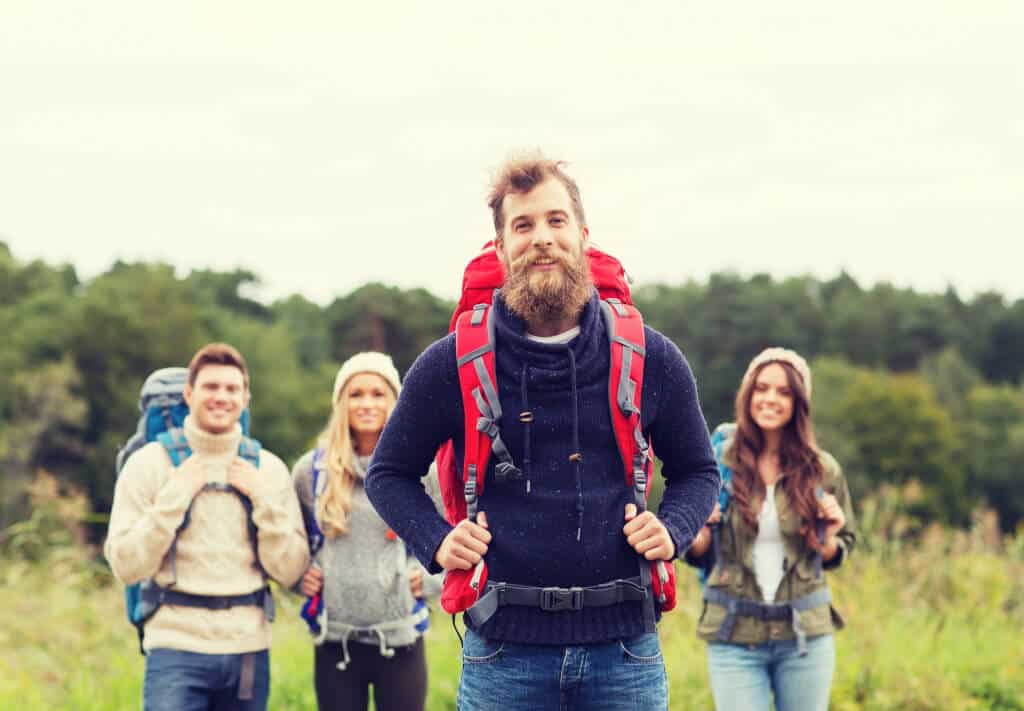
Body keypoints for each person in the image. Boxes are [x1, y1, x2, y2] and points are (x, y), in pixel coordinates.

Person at [365, 154, 720, 711]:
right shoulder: (452, 362)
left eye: (556, 221)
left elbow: (699, 472)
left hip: (624, 651)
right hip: (502, 653)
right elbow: (387, 473)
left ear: (582, 236)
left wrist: (673, 528)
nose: (542, 239)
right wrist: (436, 541)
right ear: (501, 248)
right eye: (523, 225)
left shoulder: (651, 356)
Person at [105, 342, 310, 710]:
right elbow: (125, 565)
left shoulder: (268, 469)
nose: (221, 397)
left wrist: (263, 501)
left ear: (246, 398)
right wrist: (174, 497)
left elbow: (291, 569)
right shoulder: (149, 465)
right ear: (189, 393)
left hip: (249, 649)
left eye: (232, 389)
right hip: (175, 648)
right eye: (211, 387)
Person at [684, 348, 857, 711]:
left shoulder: (823, 470)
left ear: (800, 402)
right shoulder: (716, 463)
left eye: (784, 392)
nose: (770, 399)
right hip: (733, 635)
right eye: (761, 388)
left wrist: (827, 537)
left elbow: (839, 548)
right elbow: (698, 552)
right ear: (747, 394)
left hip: (805, 638)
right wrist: (698, 532)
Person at [293, 351, 441, 711]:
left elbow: (450, 534)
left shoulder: (423, 470)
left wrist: (431, 579)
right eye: (356, 394)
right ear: (341, 403)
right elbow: (289, 539)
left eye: (378, 393)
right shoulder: (310, 471)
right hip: (335, 642)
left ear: (395, 401)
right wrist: (298, 577)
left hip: (401, 637)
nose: (366, 403)